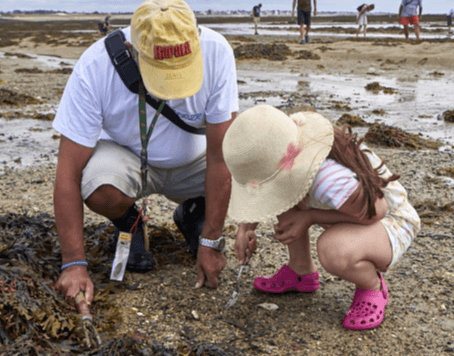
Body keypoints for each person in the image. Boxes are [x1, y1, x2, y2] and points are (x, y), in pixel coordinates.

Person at [53, 0, 238, 305]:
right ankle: (130, 221)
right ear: (131, 48)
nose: (171, 88)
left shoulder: (217, 52)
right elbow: (67, 173)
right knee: (98, 187)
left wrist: (212, 239)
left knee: (245, 169)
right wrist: (73, 263)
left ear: (196, 41)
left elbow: (221, 158)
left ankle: (195, 215)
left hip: (196, 163)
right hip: (130, 159)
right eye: (160, 71)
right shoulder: (95, 66)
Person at [223, 105, 420, 330]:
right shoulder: (285, 147)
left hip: (390, 221)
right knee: (281, 195)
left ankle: (372, 286)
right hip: (354, 208)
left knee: (333, 249)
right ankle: (300, 271)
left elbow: (379, 210)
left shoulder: (329, 179)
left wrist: (309, 217)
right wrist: (245, 227)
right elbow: (261, 189)